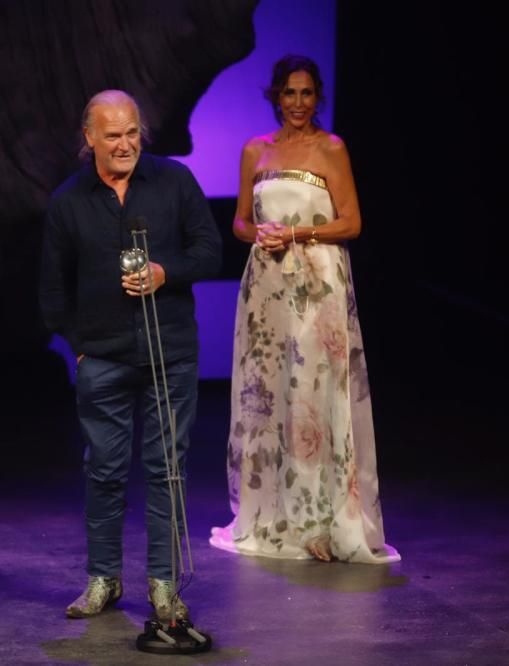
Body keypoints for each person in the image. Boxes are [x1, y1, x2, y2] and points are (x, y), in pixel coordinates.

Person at [209, 55, 399, 564]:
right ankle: (271, 516)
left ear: (318, 97)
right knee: (267, 394)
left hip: (319, 284)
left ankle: (321, 521)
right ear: (275, 96)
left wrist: (299, 233)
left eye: (306, 94)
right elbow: (240, 223)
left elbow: (352, 223)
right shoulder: (256, 149)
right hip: (267, 285)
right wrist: (263, 234)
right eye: (288, 94)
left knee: (314, 393)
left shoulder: (331, 149)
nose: (297, 103)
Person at [39, 90, 222, 619]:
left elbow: (209, 250)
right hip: (103, 359)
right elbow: (53, 292)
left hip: (171, 353)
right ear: (89, 138)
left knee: (167, 469)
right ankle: (103, 579)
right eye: (112, 135)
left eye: (132, 133)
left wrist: (166, 272)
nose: (124, 144)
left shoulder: (174, 182)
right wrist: (79, 349)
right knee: (104, 471)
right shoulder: (68, 202)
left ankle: (163, 585)